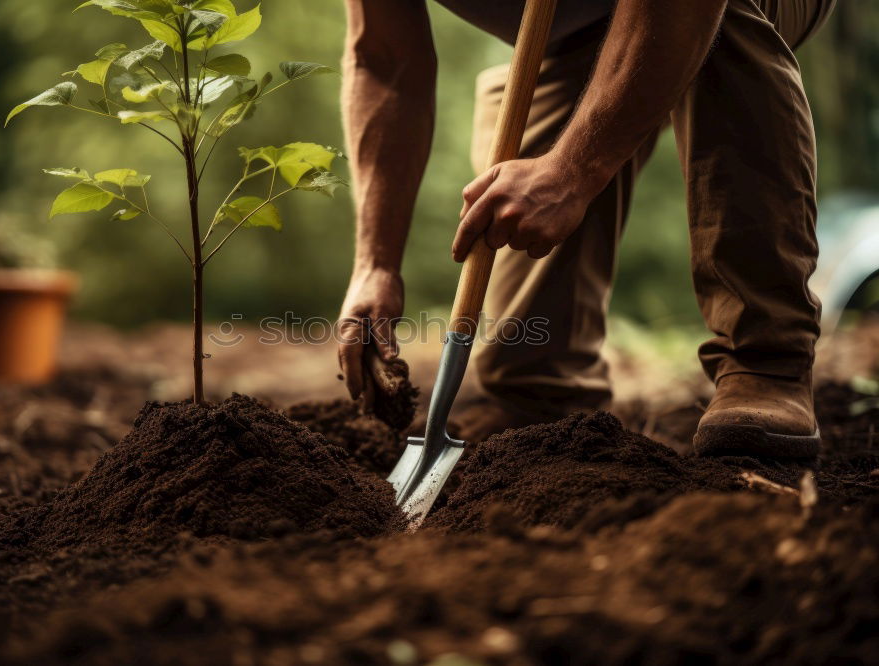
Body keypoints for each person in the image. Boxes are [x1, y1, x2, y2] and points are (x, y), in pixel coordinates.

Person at [336, 0, 836, 458]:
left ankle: (766, 362)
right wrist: (375, 264)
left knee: (716, 19)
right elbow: (383, 60)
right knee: (527, 359)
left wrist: (571, 171)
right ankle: (540, 395)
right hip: (574, 32)